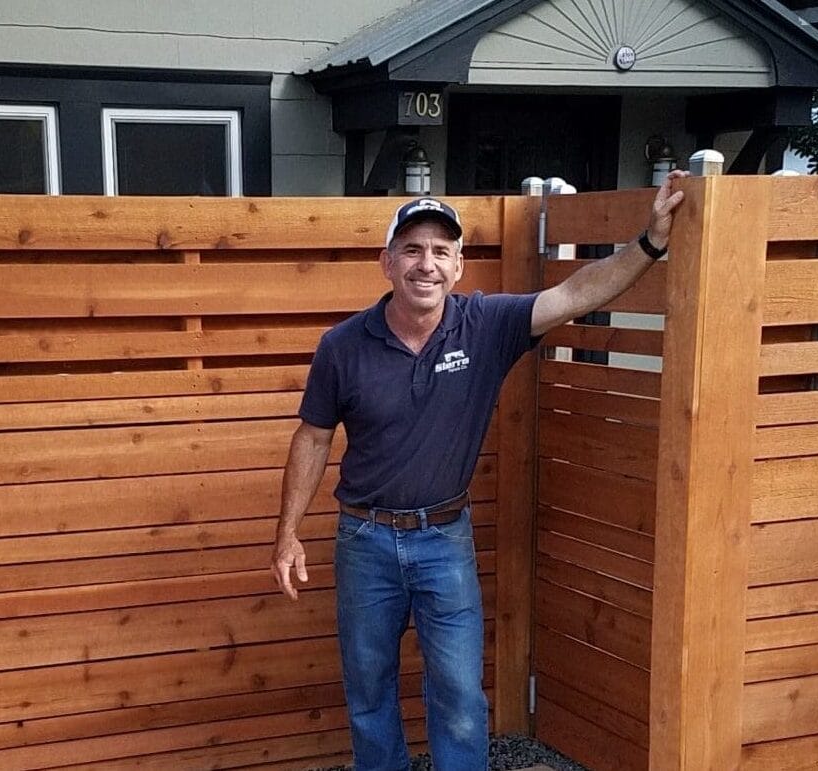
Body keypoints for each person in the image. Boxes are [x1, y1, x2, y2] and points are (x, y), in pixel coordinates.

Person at [270, 172, 688, 771]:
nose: (426, 264)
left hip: (445, 539)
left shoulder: (486, 325)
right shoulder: (343, 346)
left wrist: (650, 242)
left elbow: (579, 294)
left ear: (459, 266)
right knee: (368, 692)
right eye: (412, 249)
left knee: (461, 695)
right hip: (364, 539)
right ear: (385, 262)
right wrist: (287, 534)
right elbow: (312, 437)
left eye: (441, 251)